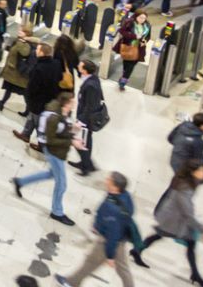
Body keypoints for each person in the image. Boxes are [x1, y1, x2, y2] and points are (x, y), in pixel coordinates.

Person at [130, 160, 203, 286]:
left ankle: (137, 250)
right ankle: (195, 275)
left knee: (160, 235)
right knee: (186, 241)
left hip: (171, 217)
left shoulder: (186, 181)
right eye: (201, 171)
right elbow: (188, 214)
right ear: (193, 172)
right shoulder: (184, 189)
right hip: (172, 220)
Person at [54, 171, 137, 287]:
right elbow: (128, 214)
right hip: (120, 239)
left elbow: (113, 233)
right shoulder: (125, 195)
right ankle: (73, 282)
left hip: (108, 241)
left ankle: (71, 282)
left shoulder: (112, 208)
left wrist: (110, 255)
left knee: (91, 262)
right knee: (123, 269)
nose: (105, 180)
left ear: (115, 186)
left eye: (108, 179)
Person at [11, 91, 82, 226]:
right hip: (54, 152)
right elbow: (51, 140)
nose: (75, 104)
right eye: (72, 102)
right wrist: (72, 142)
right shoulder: (53, 117)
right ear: (66, 103)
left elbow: (62, 131)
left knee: (50, 174)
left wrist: (74, 131)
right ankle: (57, 212)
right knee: (61, 184)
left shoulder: (64, 113)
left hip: (59, 151)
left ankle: (19, 182)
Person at [72, 60, 105, 175]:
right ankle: (86, 163)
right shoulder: (93, 79)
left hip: (86, 119)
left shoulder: (90, 85)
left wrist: (81, 120)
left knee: (83, 142)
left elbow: (89, 106)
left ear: (85, 70)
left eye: (80, 66)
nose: (78, 66)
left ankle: (86, 167)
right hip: (86, 117)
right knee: (85, 140)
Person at [114, 11, 152, 91]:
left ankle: (123, 81)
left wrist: (144, 42)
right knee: (127, 63)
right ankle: (124, 76)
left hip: (139, 48)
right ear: (136, 16)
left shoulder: (147, 25)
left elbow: (148, 37)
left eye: (144, 18)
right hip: (128, 46)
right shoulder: (129, 22)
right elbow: (122, 31)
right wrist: (134, 36)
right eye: (141, 17)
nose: (142, 20)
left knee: (132, 64)